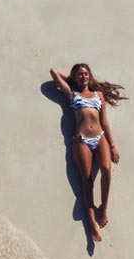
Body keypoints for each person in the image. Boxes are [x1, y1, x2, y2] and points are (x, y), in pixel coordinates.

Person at [49, 63, 125, 243]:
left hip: (99, 138)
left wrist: (112, 145)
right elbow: (53, 72)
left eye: (86, 74)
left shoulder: (99, 95)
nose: (83, 76)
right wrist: (71, 80)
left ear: (90, 76)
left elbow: (104, 122)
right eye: (80, 74)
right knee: (87, 180)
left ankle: (103, 208)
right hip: (81, 140)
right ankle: (92, 224)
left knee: (106, 169)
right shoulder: (72, 94)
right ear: (75, 78)